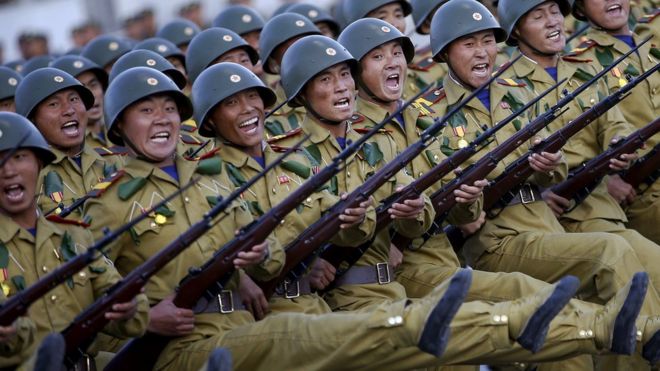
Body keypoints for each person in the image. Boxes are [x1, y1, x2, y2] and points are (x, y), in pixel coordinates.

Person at [274, 33, 659, 367]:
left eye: (395, 53)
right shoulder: (304, 152)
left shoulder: (411, 123)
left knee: (524, 317)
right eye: (377, 57)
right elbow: (293, 238)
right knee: (526, 304)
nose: (342, 86)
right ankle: (639, 336)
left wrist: (466, 200)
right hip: (399, 272)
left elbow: (439, 209)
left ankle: (637, 336)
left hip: (432, 260)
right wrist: (383, 237)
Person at [82, 66, 473, 371]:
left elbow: (274, 249)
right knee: (321, 337)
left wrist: (357, 223)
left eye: (169, 109)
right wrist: (145, 320)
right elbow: (85, 297)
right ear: (119, 126)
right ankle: (424, 324)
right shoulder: (117, 201)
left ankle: (433, 324)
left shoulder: (207, 183)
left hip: (255, 323)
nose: (163, 119)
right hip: (191, 343)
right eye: (147, 111)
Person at [497, 3, 660, 368]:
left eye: (555, 12)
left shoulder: (583, 69)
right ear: (517, 32)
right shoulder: (507, 86)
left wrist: (619, 149)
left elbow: (613, 122)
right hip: (548, 221)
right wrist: (544, 185)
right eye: (538, 17)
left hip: (597, 210)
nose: (553, 21)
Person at [191, 62, 375, 316]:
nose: (247, 108)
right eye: (231, 103)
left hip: (315, 305)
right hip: (265, 314)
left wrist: (358, 217)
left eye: (253, 96)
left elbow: (335, 224)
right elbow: (201, 256)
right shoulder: (205, 179)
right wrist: (241, 279)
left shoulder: (293, 161)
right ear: (210, 120)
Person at [0, 112, 148, 369]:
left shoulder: (75, 236)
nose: (9, 171)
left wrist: (130, 307)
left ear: (39, 164)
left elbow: (123, 309)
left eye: (19, 157)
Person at [571, 0, 660, 245]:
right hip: (643, 193)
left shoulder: (650, 45)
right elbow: (580, 137)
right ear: (580, 8)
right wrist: (603, 181)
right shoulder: (581, 64)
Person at [14, 68, 122, 216]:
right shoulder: (27, 177)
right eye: (53, 104)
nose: (69, 110)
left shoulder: (116, 161)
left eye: (74, 99)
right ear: (32, 120)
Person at [258, 13, 321, 136]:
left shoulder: (347, 94)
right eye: (293, 50)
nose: (307, 55)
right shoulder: (269, 121)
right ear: (272, 64)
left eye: (311, 46)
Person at [51, 55, 111, 149]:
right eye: (82, 89)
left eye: (93, 85)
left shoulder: (119, 130)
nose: (92, 94)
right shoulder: (72, 145)